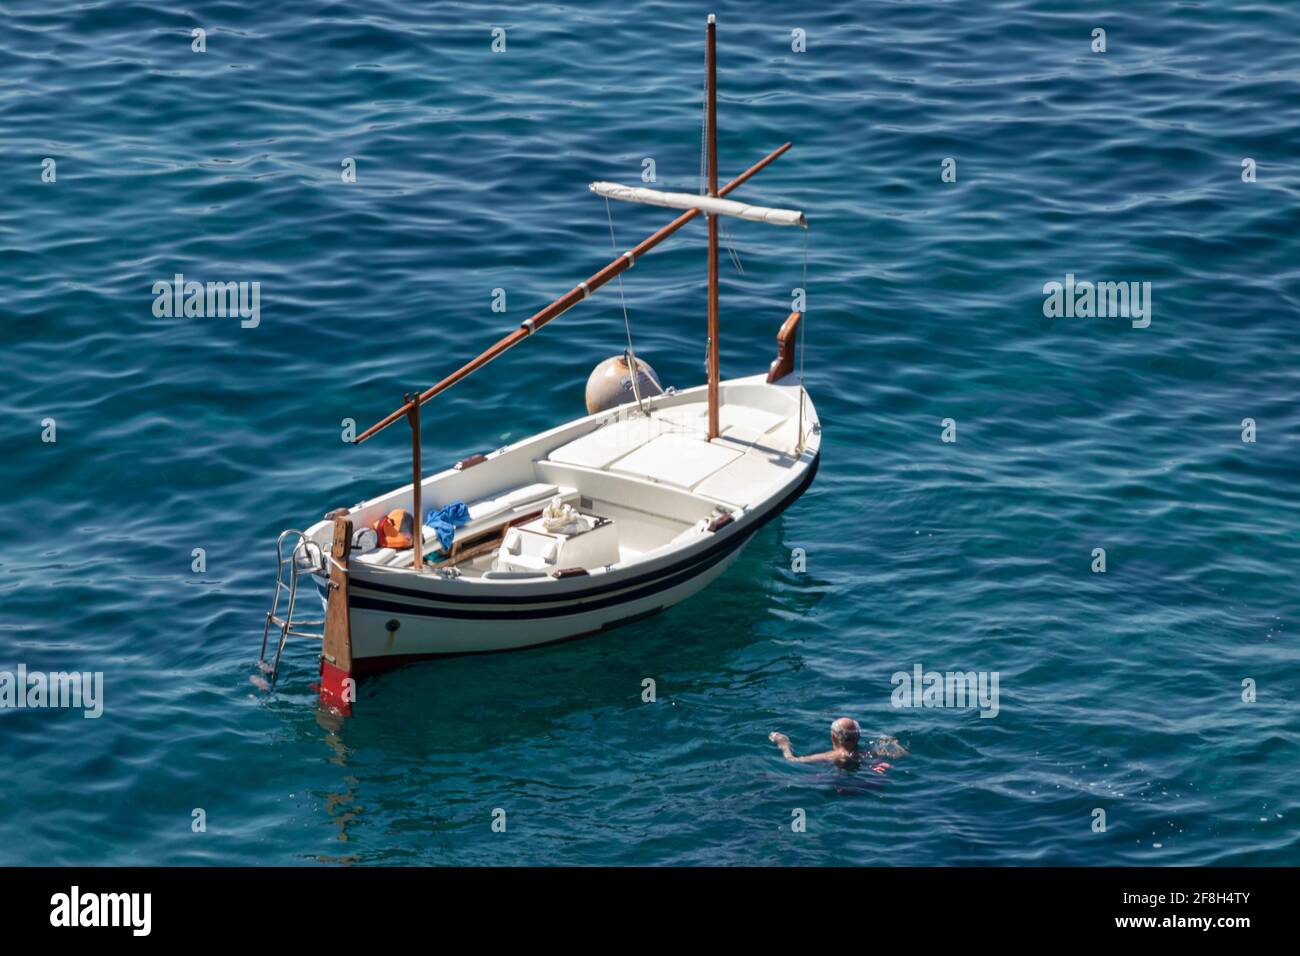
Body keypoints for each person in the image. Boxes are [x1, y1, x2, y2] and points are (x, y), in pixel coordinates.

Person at [769, 717, 906, 771]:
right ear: (858, 736)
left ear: (834, 737)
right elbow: (902, 754)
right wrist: (891, 741)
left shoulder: (828, 756)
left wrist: (784, 744)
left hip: (839, 782)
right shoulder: (870, 752)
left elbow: (792, 761)